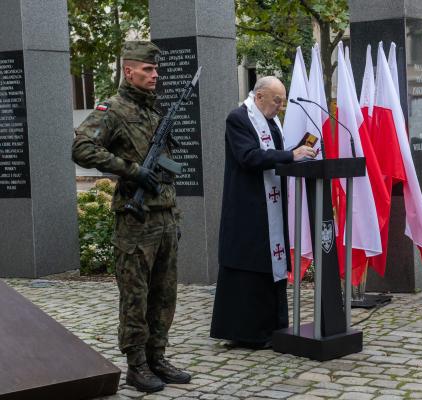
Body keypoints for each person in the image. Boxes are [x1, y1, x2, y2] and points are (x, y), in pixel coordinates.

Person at [72, 41, 190, 393]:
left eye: (156, 70)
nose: (155, 75)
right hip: (136, 222)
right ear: (129, 70)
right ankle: (137, 364)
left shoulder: (154, 112)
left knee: (164, 294)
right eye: (148, 70)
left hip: (164, 217)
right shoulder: (114, 110)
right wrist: (130, 171)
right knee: (136, 296)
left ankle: (157, 356)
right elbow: (82, 147)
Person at [210, 77, 316, 348]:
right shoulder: (238, 119)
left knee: (269, 266)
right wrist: (291, 156)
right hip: (247, 208)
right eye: (276, 101)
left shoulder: (271, 123)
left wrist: (296, 153)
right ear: (259, 97)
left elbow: (275, 155)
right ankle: (247, 332)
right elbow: (248, 157)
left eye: (282, 101)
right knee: (249, 267)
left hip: (270, 206)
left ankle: (272, 327)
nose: (280, 107)